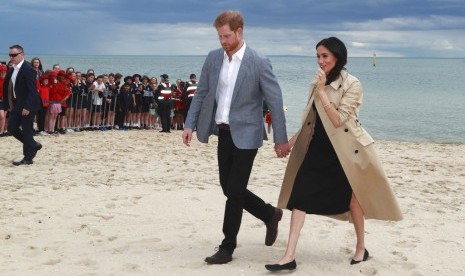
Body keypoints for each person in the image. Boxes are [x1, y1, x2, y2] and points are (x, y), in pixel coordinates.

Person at [264, 37, 403, 272]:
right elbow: (311, 121)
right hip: (316, 149)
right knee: (299, 197)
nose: (320, 61)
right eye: (318, 56)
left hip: (345, 152)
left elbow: (338, 121)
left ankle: (361, 247)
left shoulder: (353, 84)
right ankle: (289, 256)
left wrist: (321, 91)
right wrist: (289, 142)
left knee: (353, 201)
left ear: (338, 56)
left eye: (325, 56)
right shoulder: (317, 82)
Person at [182, 10, 290, 265]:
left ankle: (227, 246)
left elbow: (275, 101)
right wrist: (190, 124)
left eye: (227, 36)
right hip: (223, 132)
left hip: (248, 134)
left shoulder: (259, 61)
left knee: (234, 192)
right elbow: (201, 94)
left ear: (239, 32)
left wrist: (281, 139)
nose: (222, 41)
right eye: (219, 36)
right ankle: (269, 213)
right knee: (228, 187)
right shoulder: (213, 58)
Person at [3, 45, 42, 165]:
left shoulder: (28, 69)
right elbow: (7, 88)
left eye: (14, 55)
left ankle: (28, 158)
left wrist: (28, 107)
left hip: (28, 105)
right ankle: (33, 145)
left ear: (22, 54)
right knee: (11, 128)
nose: (11, 57)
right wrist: (8, 104)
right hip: (17, 104)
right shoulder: (12, 69)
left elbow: (33, 90)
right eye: (10, 55)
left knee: (27, 130)